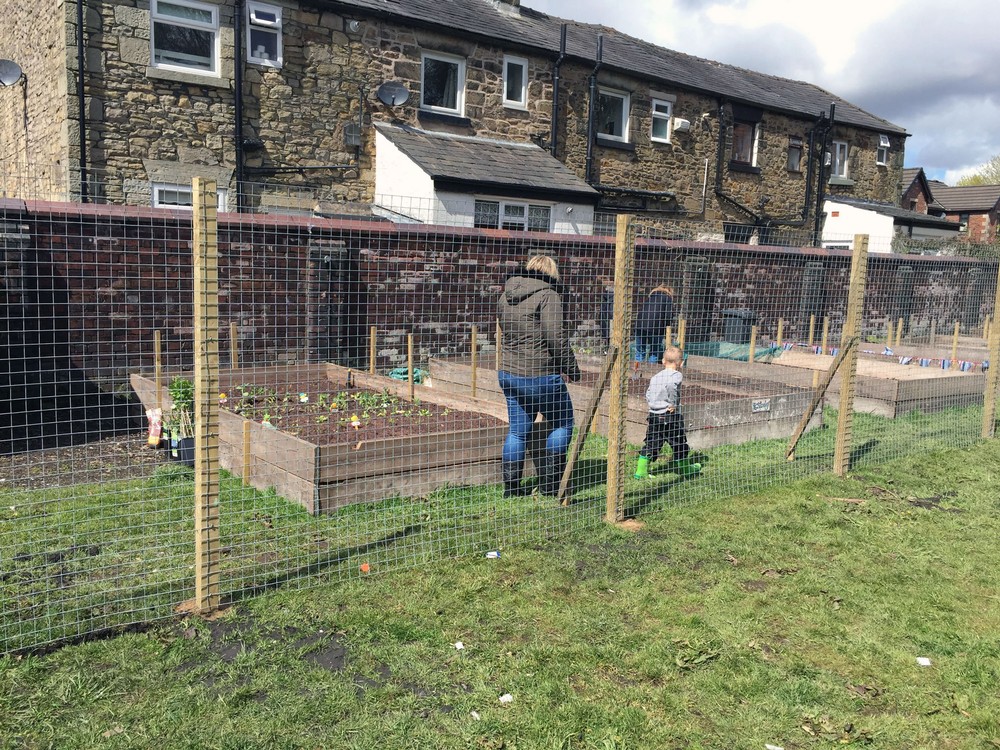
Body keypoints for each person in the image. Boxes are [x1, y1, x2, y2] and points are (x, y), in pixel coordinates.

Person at [497, 254, 580, 498]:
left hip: (509, 373)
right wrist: (572, 369)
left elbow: (503, 326)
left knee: (517, 432)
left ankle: (511, 490)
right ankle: (550, 486)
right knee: (563, 423)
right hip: (541, 374)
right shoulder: (548, 295)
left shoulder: (506, 294)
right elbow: (556, 337)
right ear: (551, 274)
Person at [634, 345, 701, 479]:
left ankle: (640, 471)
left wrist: (653, 404)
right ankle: (686, 468)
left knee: (652, 442)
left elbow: (648, 393)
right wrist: (673, 404)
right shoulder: (676, 375)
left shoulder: (656, 377)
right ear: (681, 363)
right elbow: (671, 387)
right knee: (678, 441)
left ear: (663, 361)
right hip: (669, 416)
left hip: (654, 415)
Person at [634, 285, 674, 363]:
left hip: (640, 324)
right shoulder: (667, 298)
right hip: (656, 327)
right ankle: (651, 371)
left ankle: (636, 371)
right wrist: (666, 328)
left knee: (640, 351)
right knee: (654, 351)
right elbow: (668, 315)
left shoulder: (651, 297)